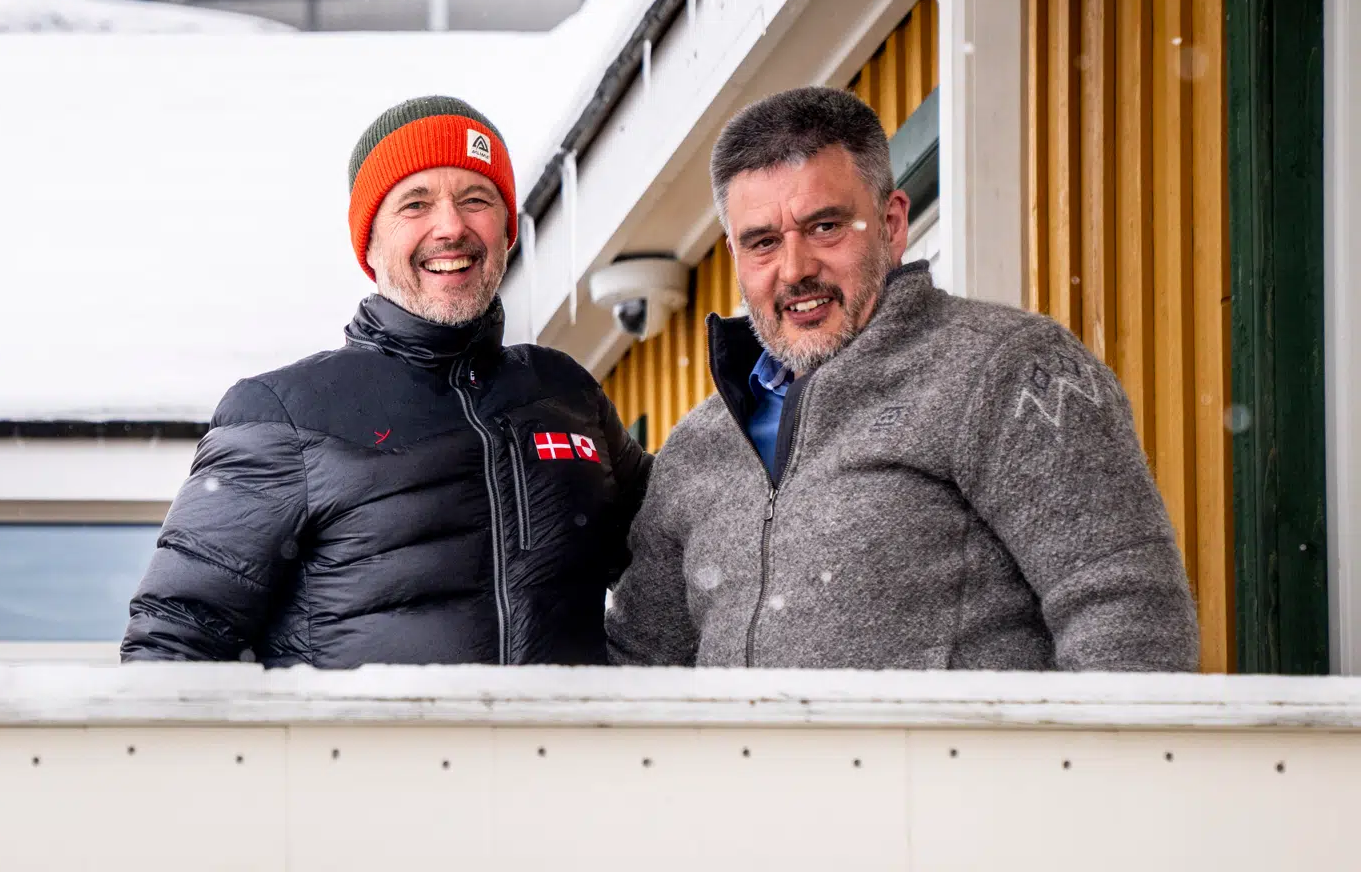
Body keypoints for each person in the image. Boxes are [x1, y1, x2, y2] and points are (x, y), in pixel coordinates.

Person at [606, 86, 1198, 671]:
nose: (795, 269)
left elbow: (1127, 615)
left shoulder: (1010, 370)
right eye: (762, 242)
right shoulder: (694, 452)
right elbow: (639, 670)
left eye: (824, 227)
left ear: (891, 225)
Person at [123, 96, 649, 667]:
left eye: (476, 199)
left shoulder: (563, 395)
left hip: (564, 756)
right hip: (363, 756)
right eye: (414, 204)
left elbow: (678, 545)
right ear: (368, 244)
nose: (450, 227)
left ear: (506, 230)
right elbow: (174, 643)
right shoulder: (285, 412)